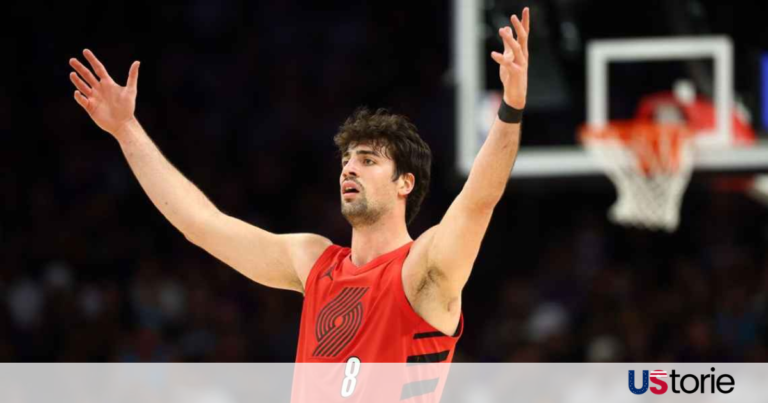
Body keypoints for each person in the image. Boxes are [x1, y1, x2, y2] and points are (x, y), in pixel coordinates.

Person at [68, 8, 530, 366]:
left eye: (368, 161)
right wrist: (126, 129)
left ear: (404, 183)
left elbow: (478, 200)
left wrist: (510, 106)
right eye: (347, 160)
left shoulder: (424, 270)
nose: (349, 169)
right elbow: (199, 223)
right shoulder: (313, 262)